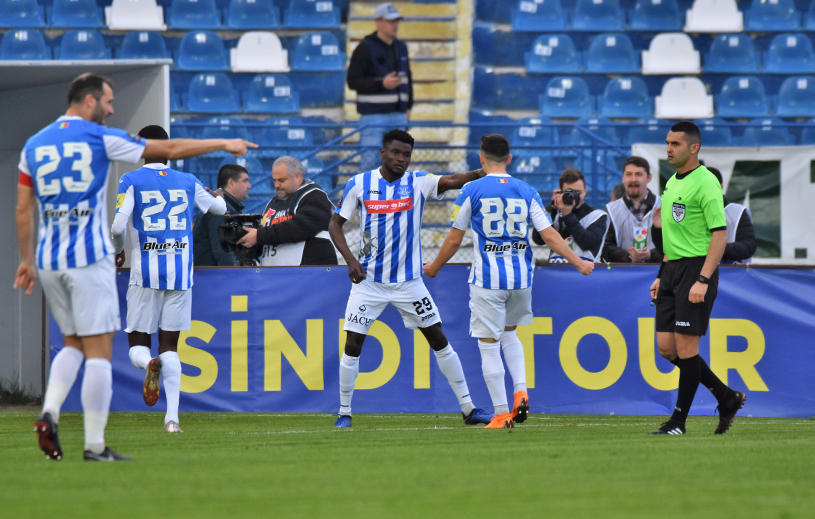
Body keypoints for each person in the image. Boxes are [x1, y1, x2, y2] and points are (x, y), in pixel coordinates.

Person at [16, 73, 255, 461]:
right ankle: (158, 423)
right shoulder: (102, 140)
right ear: (90, 101)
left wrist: (28, 258)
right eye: (108, 102)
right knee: (106, 349)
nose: (112, 109)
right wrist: (223, 145)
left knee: (86, 344)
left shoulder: (35, 144)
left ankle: (51, 410)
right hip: (159, 268)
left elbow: (26, 208)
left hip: (52, 258)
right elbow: (216, 204)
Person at [423, 135, 594, 429]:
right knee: (509, 335)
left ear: (481, 158)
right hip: (521, 280)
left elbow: (454, 238)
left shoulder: (471, 190)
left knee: (488, 346)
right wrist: (578, 262)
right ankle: (521, 390)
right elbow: (549, 234)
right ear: (510, 159)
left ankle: (502, 414)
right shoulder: (526, 190)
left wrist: (435, 266)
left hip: (488, 280)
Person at [329, 129, 492, 428]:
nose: (401, 159)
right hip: (369, 284)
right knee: (353, 346)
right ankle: (344, 413)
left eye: (406, 154)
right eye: (395, 153)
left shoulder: (417, 182)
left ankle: (469, 410)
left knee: (440, 340)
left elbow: (454, 180)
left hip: (409, 284)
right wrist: (350, 261)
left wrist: (485, 171)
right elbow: (335, 223)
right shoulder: (360, 184)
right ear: (383, 153)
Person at [110, 125, 228, 434]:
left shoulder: (130, 180)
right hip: (181, 275)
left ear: (144, 149)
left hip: (145, 274)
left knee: (137, 344)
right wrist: (218, 195)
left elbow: (118, 226)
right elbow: (220, 208)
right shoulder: (188, 181)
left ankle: (148, 364)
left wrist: (118, 251)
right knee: (171, 347)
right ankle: (172, 420)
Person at [649, 121, 746, 436]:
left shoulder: (706, 183)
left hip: (696, 270)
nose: (668, 149)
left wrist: (703, 279)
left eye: (675, 144)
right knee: (666, 348)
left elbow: (720, 235)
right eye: (667, 143)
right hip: (673, 269)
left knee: (687, 350)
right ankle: (726, 396)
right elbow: (673, 237)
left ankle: (678, 422)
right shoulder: (672, 183)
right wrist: (661, 275)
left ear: (694, 148)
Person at [347, 2, 412, 173]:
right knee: (370, 165)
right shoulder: (364, 48)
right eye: (390, 21)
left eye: (396, 21)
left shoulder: (402, 47)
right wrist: (381, 84)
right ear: (378, 22)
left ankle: (392, 200)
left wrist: (408, 106)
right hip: (373, 116)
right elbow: (352, 81)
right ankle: (367, 199)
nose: (395, 25)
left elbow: (408, 78)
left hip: (399, 116)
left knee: (398, 167)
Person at [236, 156, 337, 266]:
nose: (276, 185)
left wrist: (259, 235)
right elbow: (265, 236)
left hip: (308, 274)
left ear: (297, 177)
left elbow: (300, 227)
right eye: (274, 180)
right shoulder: (273, 203)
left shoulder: (314, 196)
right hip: (277, 275)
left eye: (281, 180)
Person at [652, 167, 757, 265]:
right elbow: (668, 252)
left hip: (730, 279)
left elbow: (748, 246)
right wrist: (659, 229)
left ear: (720, 188)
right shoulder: (683, 212)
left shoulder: (737, 212)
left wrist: (713, 248)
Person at [532, 168, 608, 262]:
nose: (575, 197)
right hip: (556, 270)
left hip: (585, 272)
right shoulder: (555, 214)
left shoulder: (597, 216)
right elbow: (537, 240)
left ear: (585, 190)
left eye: (578, 193)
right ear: (561, 192)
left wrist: (567, 214)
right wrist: (552, 208)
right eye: (570, 193)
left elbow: (587, 243)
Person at [602, 156, 662, 263]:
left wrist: (651, 255)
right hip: (625, 276)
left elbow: (676, 244)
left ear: (649, 178)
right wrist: (629, 256)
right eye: (629, 174)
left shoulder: (664, 206)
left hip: (659, 275)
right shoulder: (610, 210)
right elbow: (605, 245)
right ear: (623, 178)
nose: (633, 179)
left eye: (638, 174)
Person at [192, 164, 252, 267]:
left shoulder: (225, 208)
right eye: (245, 180)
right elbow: (223, 251)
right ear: (231, 183)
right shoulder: (221, 210)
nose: (249, 186)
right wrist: (232, 276)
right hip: (213, 278)